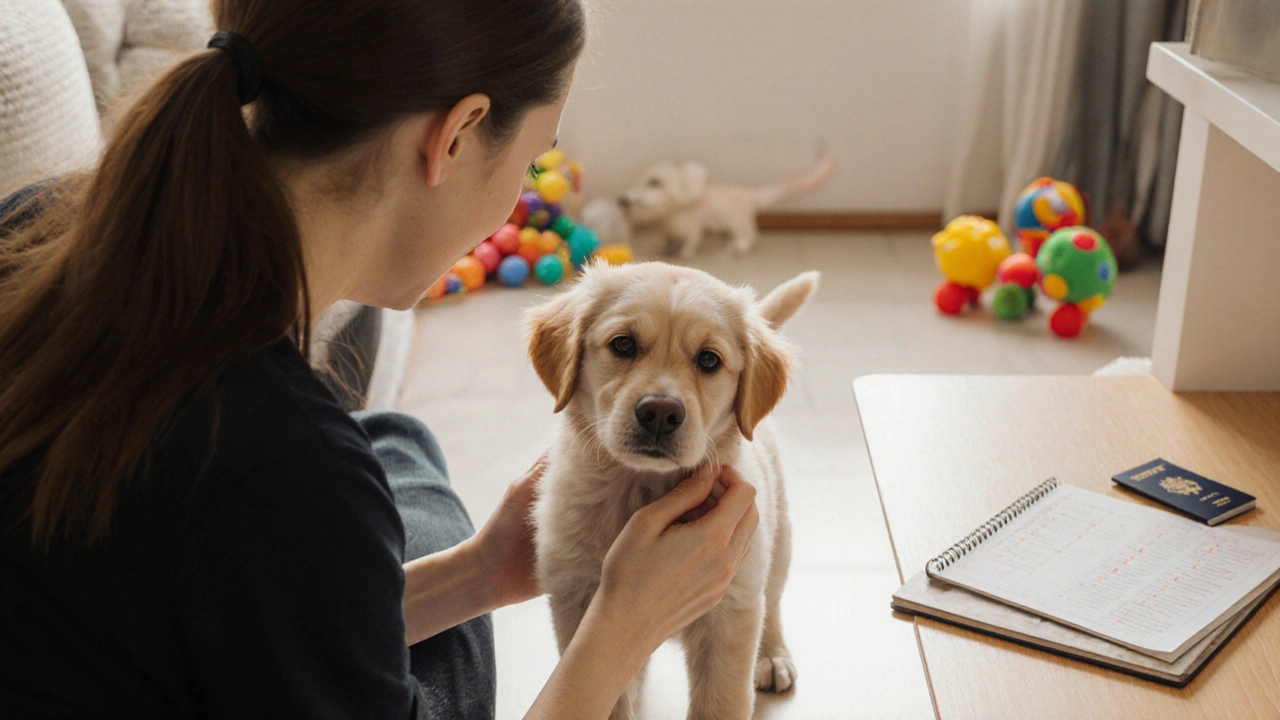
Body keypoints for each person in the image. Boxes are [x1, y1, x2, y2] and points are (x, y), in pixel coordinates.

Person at [0, 1, 761, 718]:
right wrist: (623, 623)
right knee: (403, 475)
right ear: (457, 134)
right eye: (532, 163)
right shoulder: (292, 473)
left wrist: (481, 572)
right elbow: (281, 515)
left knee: (397, 442)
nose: (515, 201)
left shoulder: (30, 227)